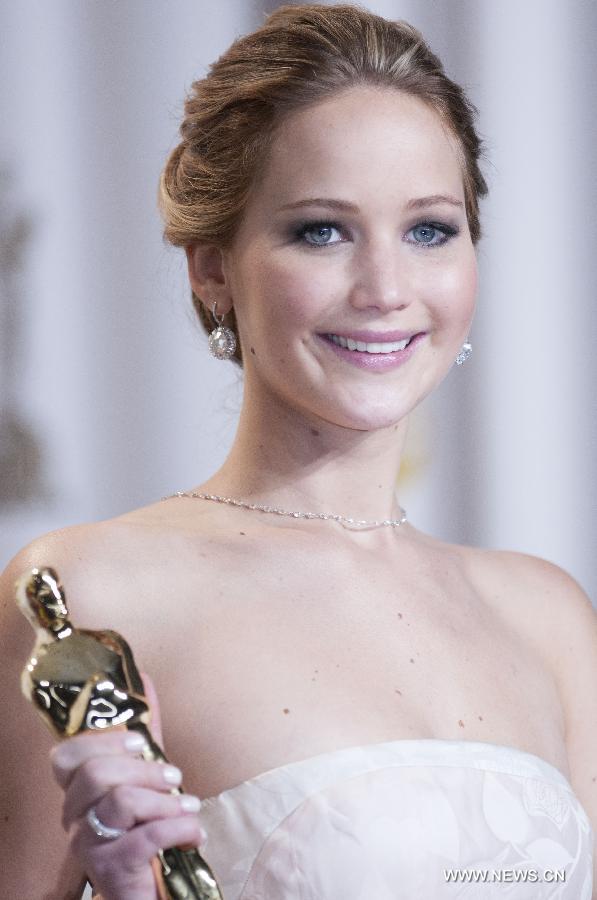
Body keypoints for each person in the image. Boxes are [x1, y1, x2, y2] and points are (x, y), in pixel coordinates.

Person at [1, 4, 595, 898]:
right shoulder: (90, 597)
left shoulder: (547, 616)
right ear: (211, 269)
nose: (386, 288)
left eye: (429, 228)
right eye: (321, 230)